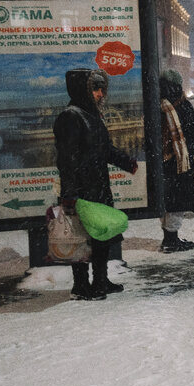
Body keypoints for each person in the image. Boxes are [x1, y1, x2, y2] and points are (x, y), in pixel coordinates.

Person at [53, 68, 138, 300]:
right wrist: (69, 193)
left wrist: (126, 162)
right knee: (80, 237)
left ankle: (100, 281)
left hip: (98, 184)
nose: (101, 94)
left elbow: (105, 149)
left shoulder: (92, 115)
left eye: (102, 89)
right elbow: (66, 158)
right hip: (80, 189)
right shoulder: (71, 117)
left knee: (102, 235)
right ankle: (81, 286)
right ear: (84, 90)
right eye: (95, 88)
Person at [159, 70, 194, 252]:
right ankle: (171, 239)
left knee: (170, 201)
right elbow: (191, 128)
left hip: (166, 159)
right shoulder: (179, 105)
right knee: (178, 200)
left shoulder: (161, 105)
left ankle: (169, 236)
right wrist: (193, 147)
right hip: (179, 159)